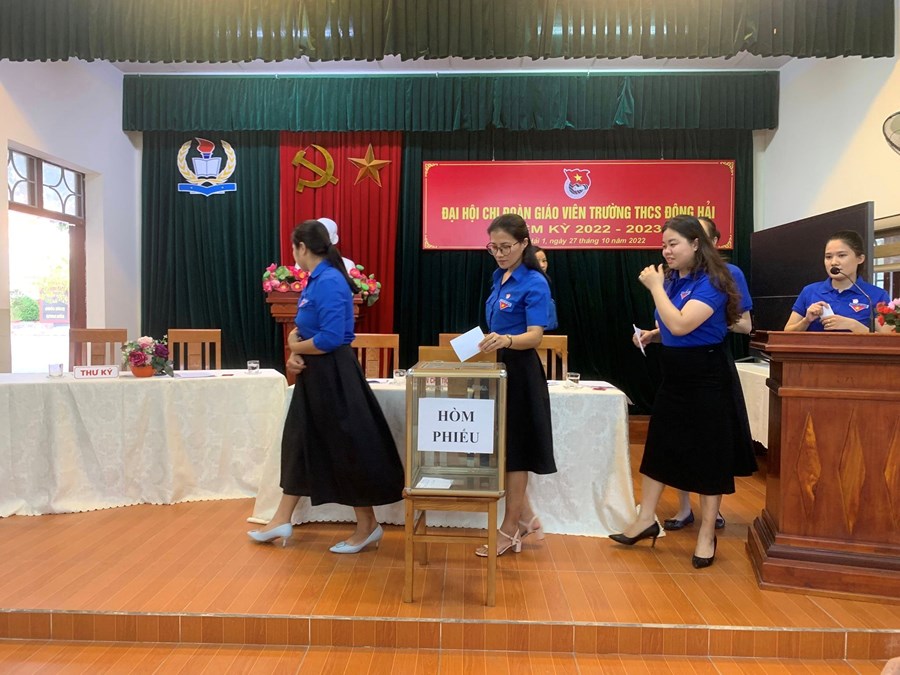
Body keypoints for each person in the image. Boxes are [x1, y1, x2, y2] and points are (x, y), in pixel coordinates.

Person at [247, 219, 404, 553]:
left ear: (302, 247)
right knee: (299, 442)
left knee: (346, 448)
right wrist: (296, 351)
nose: (293, 255)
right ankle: (281, 518)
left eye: (294, 249)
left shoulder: (330, 280)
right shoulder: (315, 279)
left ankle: (368, 525)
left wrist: (295, 347)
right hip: (314, 375)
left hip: (333, 377)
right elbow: (305, 328)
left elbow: (332, 338)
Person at [616, 215, 756, 569]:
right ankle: (645, 519)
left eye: (673, 244)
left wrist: (655, 287)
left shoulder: (714, 280)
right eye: (663, 244)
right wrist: (653, 335)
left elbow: (681, 323)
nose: (666, 251)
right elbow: (671, 326)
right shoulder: (676, 279)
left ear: (696, 244)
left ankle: (707, 533)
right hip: (675, 375)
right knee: (659, 446)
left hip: (707, 375)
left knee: (709, 454)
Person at [477, 213, 557, 557]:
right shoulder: (500, 276)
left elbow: (535, 335)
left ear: (524, 244)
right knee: (501, 449)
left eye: (505, 247)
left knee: (517, 453)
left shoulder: (534, 282)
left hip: (520, 371)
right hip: (497, 368)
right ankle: (525, 519)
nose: (499, 253)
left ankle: (510, 529)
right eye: (493, 247)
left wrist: (507, 340)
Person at [665, 216, 752, 532]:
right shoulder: (676, 275)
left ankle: (712, 513)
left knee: (711, 442)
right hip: (680, 363)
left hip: (711, 359)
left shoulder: (727, 274)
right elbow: (673, 321)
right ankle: (683, 508)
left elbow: (745, 324)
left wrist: (705, 319)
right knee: (680, 439)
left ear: (710, 242)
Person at [784, 230, 891, 333]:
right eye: (828, 257)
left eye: (841, 255)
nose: (834, 262)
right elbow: (787, 334)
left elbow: (887, 340)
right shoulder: (809, 291)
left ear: (860, 259)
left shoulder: (877, 295)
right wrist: (806, 321)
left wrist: (854, 325)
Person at [532, 245, 558, 331]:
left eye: (544, 261)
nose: (542, 265)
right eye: (537, 261)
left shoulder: (543, 282)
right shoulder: (525, 285)